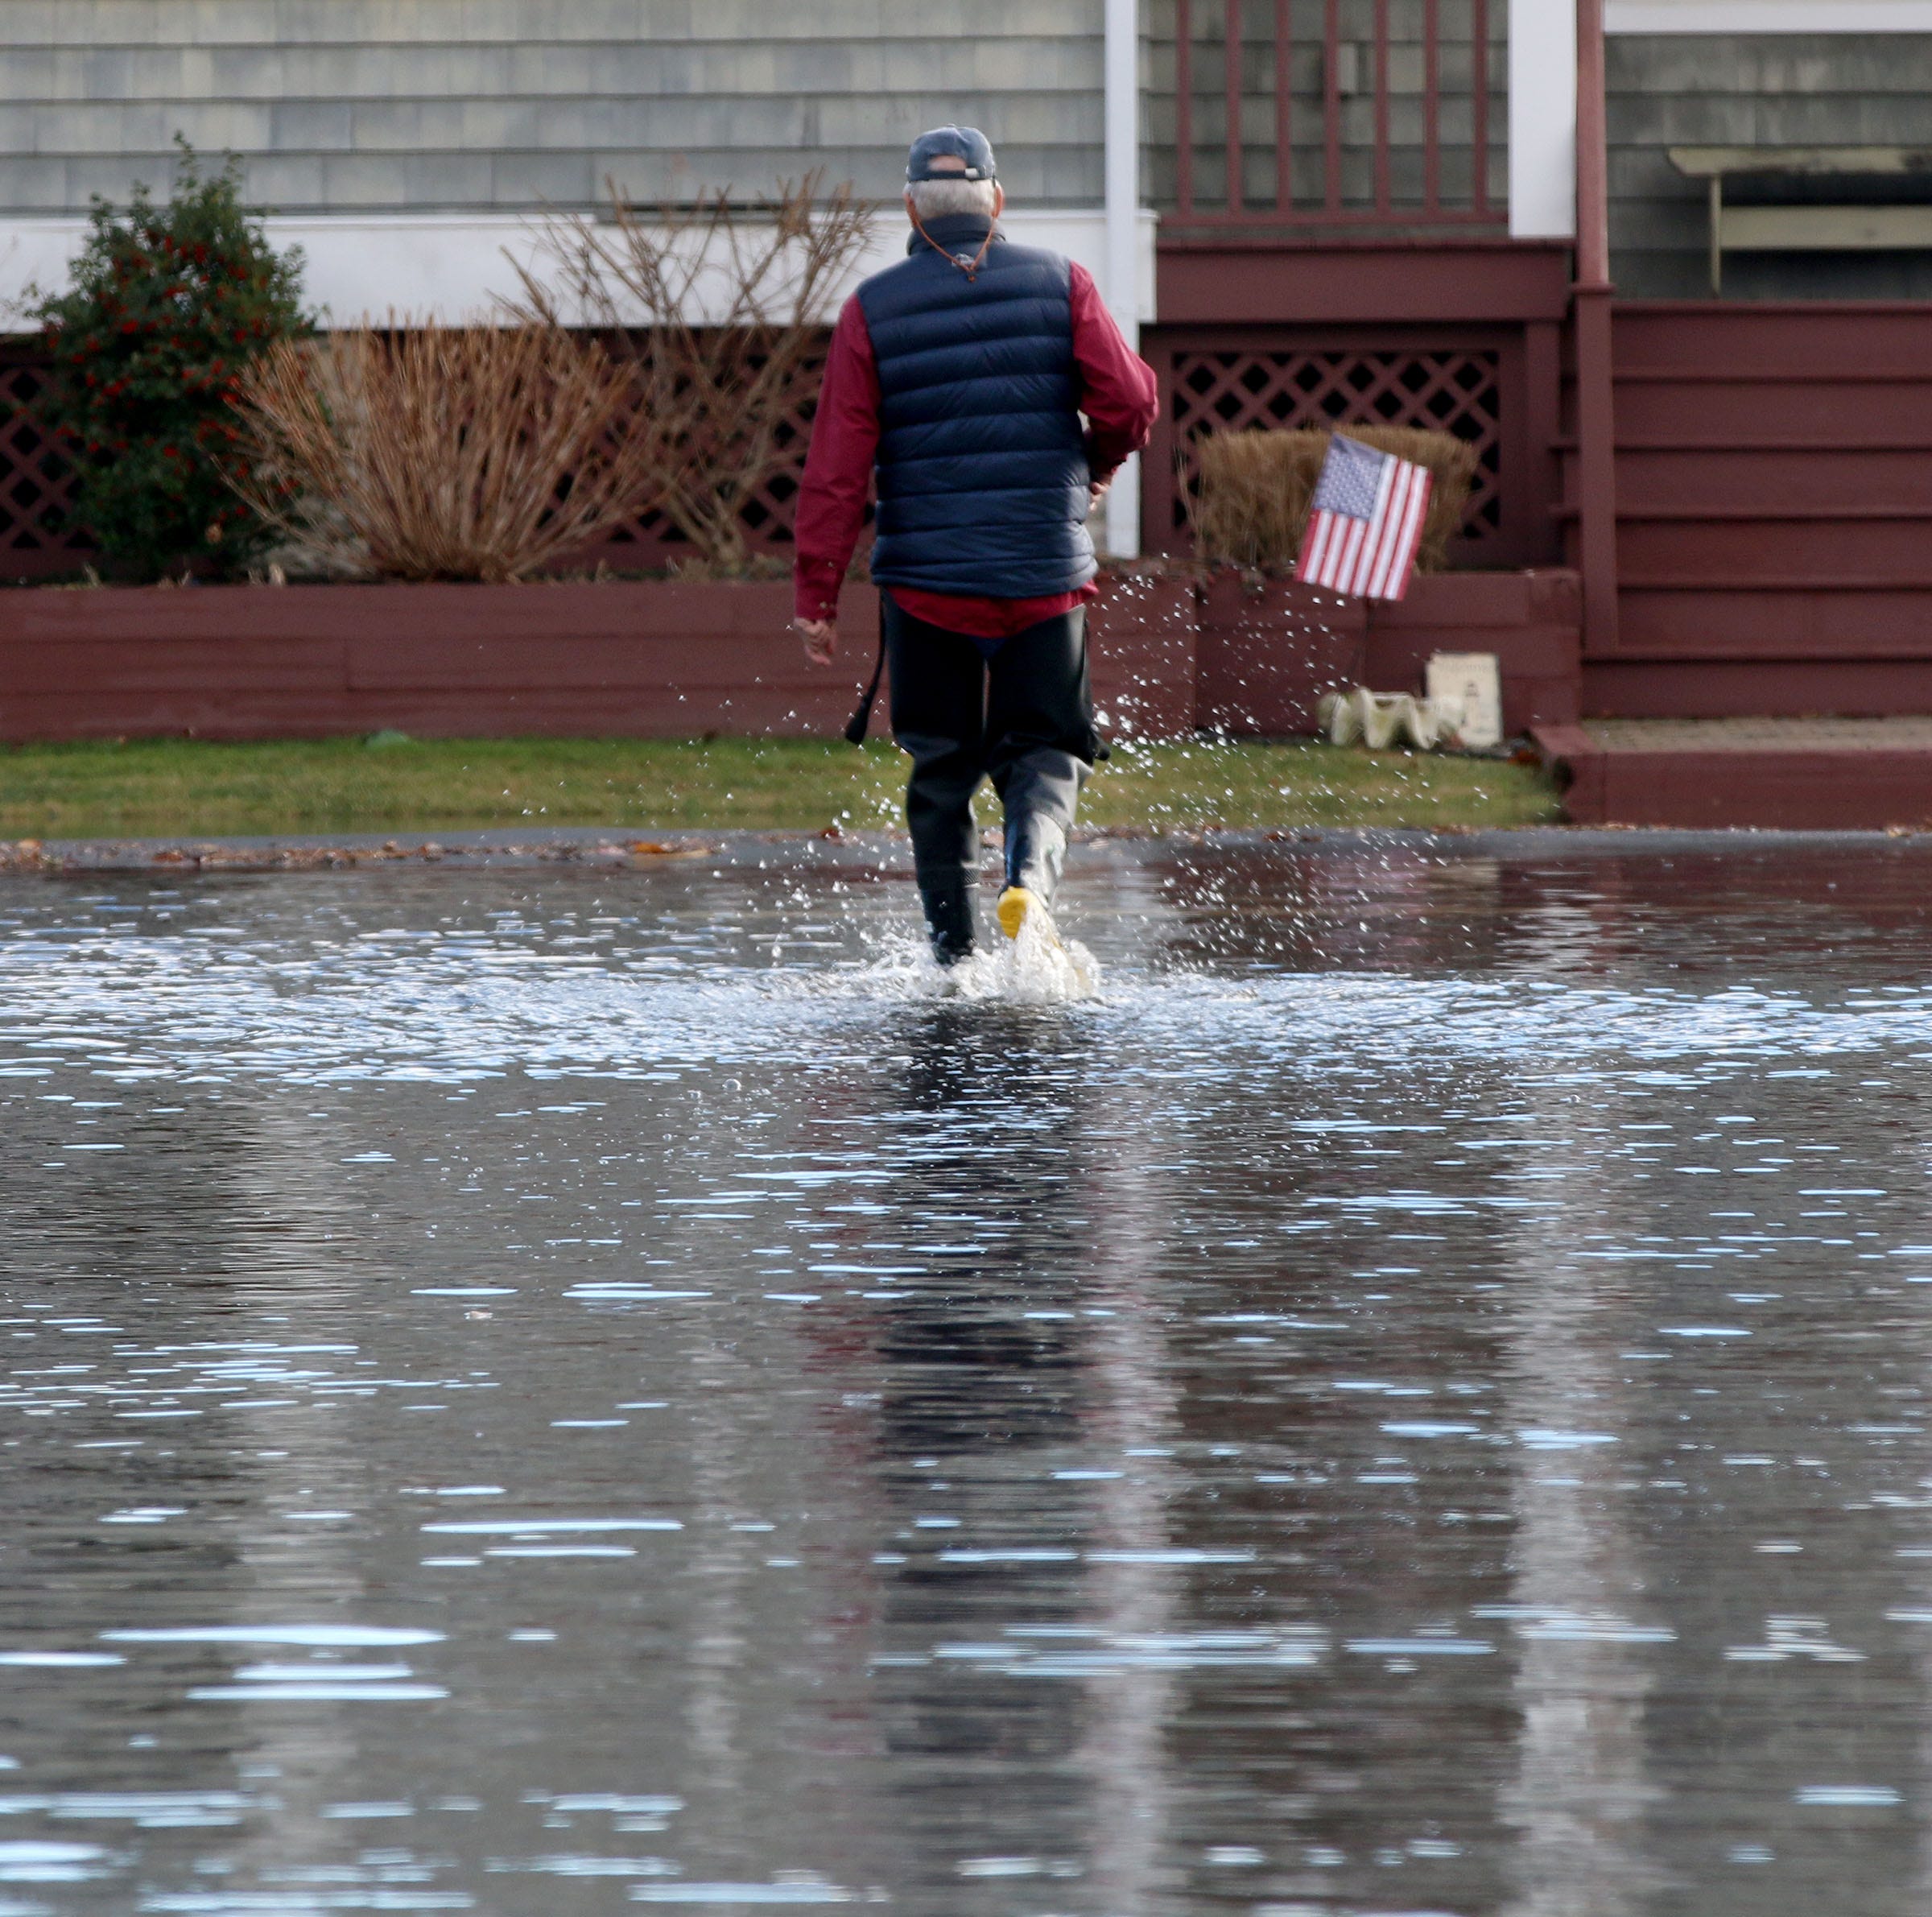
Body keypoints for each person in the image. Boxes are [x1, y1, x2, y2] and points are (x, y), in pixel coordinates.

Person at [792, 126, 1158, 966]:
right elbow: (1132, 402)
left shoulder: (869, 311)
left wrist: (817, 595)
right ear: (997, 200)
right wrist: (1097, 464)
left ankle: (953, 960)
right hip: (1042, 579)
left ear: (910, 209)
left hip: (927, 590)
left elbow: (836, 471)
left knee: (941, 769)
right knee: (1047, 752)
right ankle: (1027, 879)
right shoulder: (1063, 282)